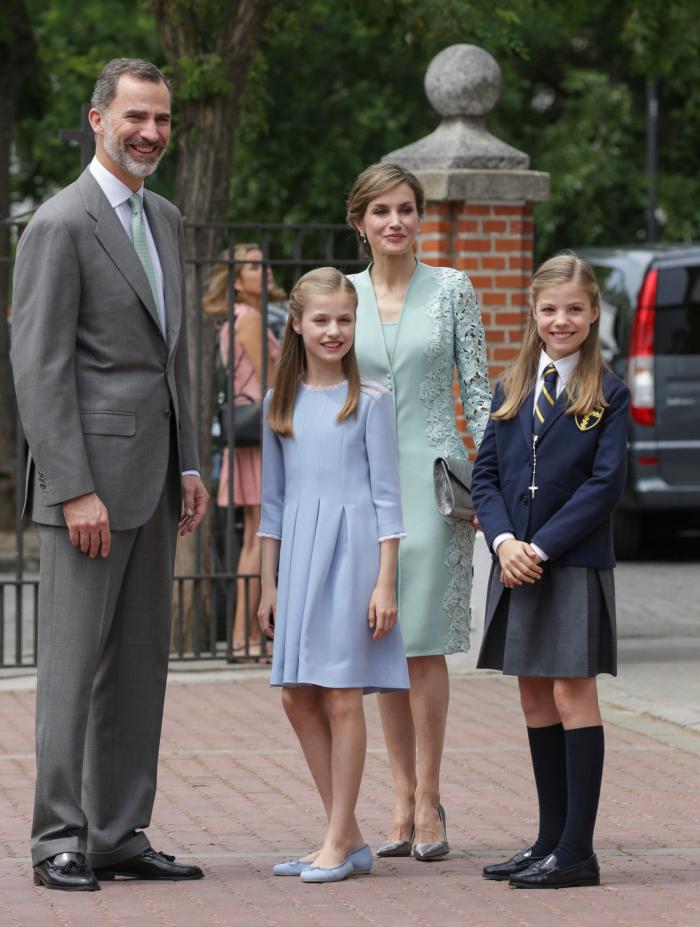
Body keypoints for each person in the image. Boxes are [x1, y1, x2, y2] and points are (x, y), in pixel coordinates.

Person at [10, 59, 209, 891]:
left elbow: (176, 352)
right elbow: (40, 366)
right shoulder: (59, 224)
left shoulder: (162, 217)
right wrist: (72, 485)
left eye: (161, 120)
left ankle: (119, 831)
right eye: (135, 117)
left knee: (137, 670)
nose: (151, 133)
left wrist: (192, 460)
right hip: (86, 490)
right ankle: (59, 835)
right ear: (97, 119)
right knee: (70, 672)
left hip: (156, 480)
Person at [471, 252, 630, 889]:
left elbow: (604, 486)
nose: (560, 320)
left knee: (571, 692)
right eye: (549, 309)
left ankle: (577, 851)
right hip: (514, 560)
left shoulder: (608, 393)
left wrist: (541, 548)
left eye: (573, 309)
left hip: (569, 564)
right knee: (534, 692)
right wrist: (505, 541)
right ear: (533, 314)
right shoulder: (509, 388)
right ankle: (546, 840)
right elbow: (484, 475)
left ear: (592, 314)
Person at [346, 163, 490, 860]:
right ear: (361, 222)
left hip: (434, 483)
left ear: (420, 217)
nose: (395, 221)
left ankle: (430, 794)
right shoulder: (340, 295)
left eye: (405, 209)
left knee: (424, 639)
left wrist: (490, 489)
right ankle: (398, 796)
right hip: (363, 488)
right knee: (384, 640)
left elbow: (481, 397)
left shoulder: (453, 290)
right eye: (381, 211)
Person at [256, 267, 409, 883]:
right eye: (321, 319)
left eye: (344, 319)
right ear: (296, 323)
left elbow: (389, 501)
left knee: (343, 696)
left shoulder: (370, 401)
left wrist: (385, 582)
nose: (334, 330)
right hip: (297, 563)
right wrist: (266, 584)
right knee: (298, 695)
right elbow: (271, 505)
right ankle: (347, 835)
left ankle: (335, 840)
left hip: (354, 560)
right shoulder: (278, 404)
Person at [203, 244, 283, 655]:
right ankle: (245, 638)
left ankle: (244, 637)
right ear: (236, 280)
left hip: (249, 438)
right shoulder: (249, 318)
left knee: (255, 534)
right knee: (257, 535)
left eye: (263, 262)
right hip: (258, 438)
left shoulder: (241, 318)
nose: (264, 270)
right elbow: (272, 380)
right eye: (253, 266)